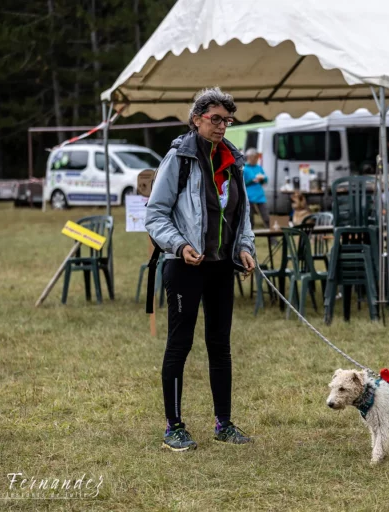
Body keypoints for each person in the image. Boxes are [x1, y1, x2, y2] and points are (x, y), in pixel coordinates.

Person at [146, 87, 256, 451]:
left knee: (220, 346)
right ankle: (173, 426)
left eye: (227, 120)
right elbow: (156, 213)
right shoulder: (179, 159)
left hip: (221, 267)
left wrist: (243, 248)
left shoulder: (233, 162)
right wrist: (179, 245)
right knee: (180, 344)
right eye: (215, 119)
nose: (222, 125)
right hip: (184, 266)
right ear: (196, 119)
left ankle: (223, 423)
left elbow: (243, 218)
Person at [242, 148, 271, 229]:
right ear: (249, 157)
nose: (256, 159)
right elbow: (242, 183)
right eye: (254, 157)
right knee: (250, 220)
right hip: (248, 197)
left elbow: (265, 179)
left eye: (256, 157)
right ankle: (251, 240)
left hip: (260, 196)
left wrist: (262, 179)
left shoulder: (259, 167)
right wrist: (251, 181)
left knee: (266, 217)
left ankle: (272, 239)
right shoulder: (245, 168)